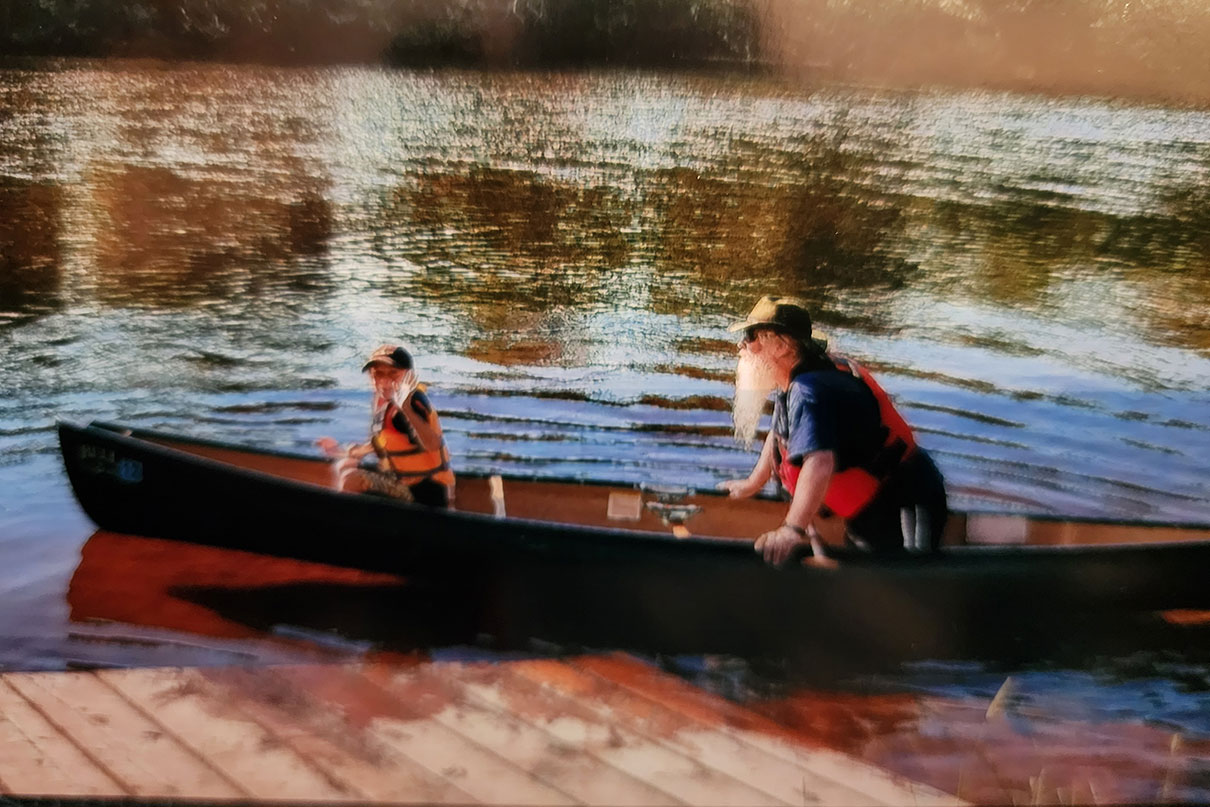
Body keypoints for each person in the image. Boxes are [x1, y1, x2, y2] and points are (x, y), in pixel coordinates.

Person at [718, 295, 947, 565]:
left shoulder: (809, 391)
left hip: (905, 500)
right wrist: (753, 483)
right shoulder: (797, 377)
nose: (742, 345)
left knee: (907, 577)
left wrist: (791, 530)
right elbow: (781, 435)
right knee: (864, 567)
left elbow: (820, 462)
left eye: (751, 336)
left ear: (781, 345)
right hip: (868, 506)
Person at [317, 345, 455, 507]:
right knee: (346, 464)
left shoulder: (413, 403)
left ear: (408, 375)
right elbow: (386, 441)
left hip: (424, 494)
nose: (384, 381)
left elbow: (432, 443)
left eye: (393, 374)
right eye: (378, 374)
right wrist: (344, 452)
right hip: (401, 478)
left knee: (352, 479)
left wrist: (407, 409)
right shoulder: (386, 401)